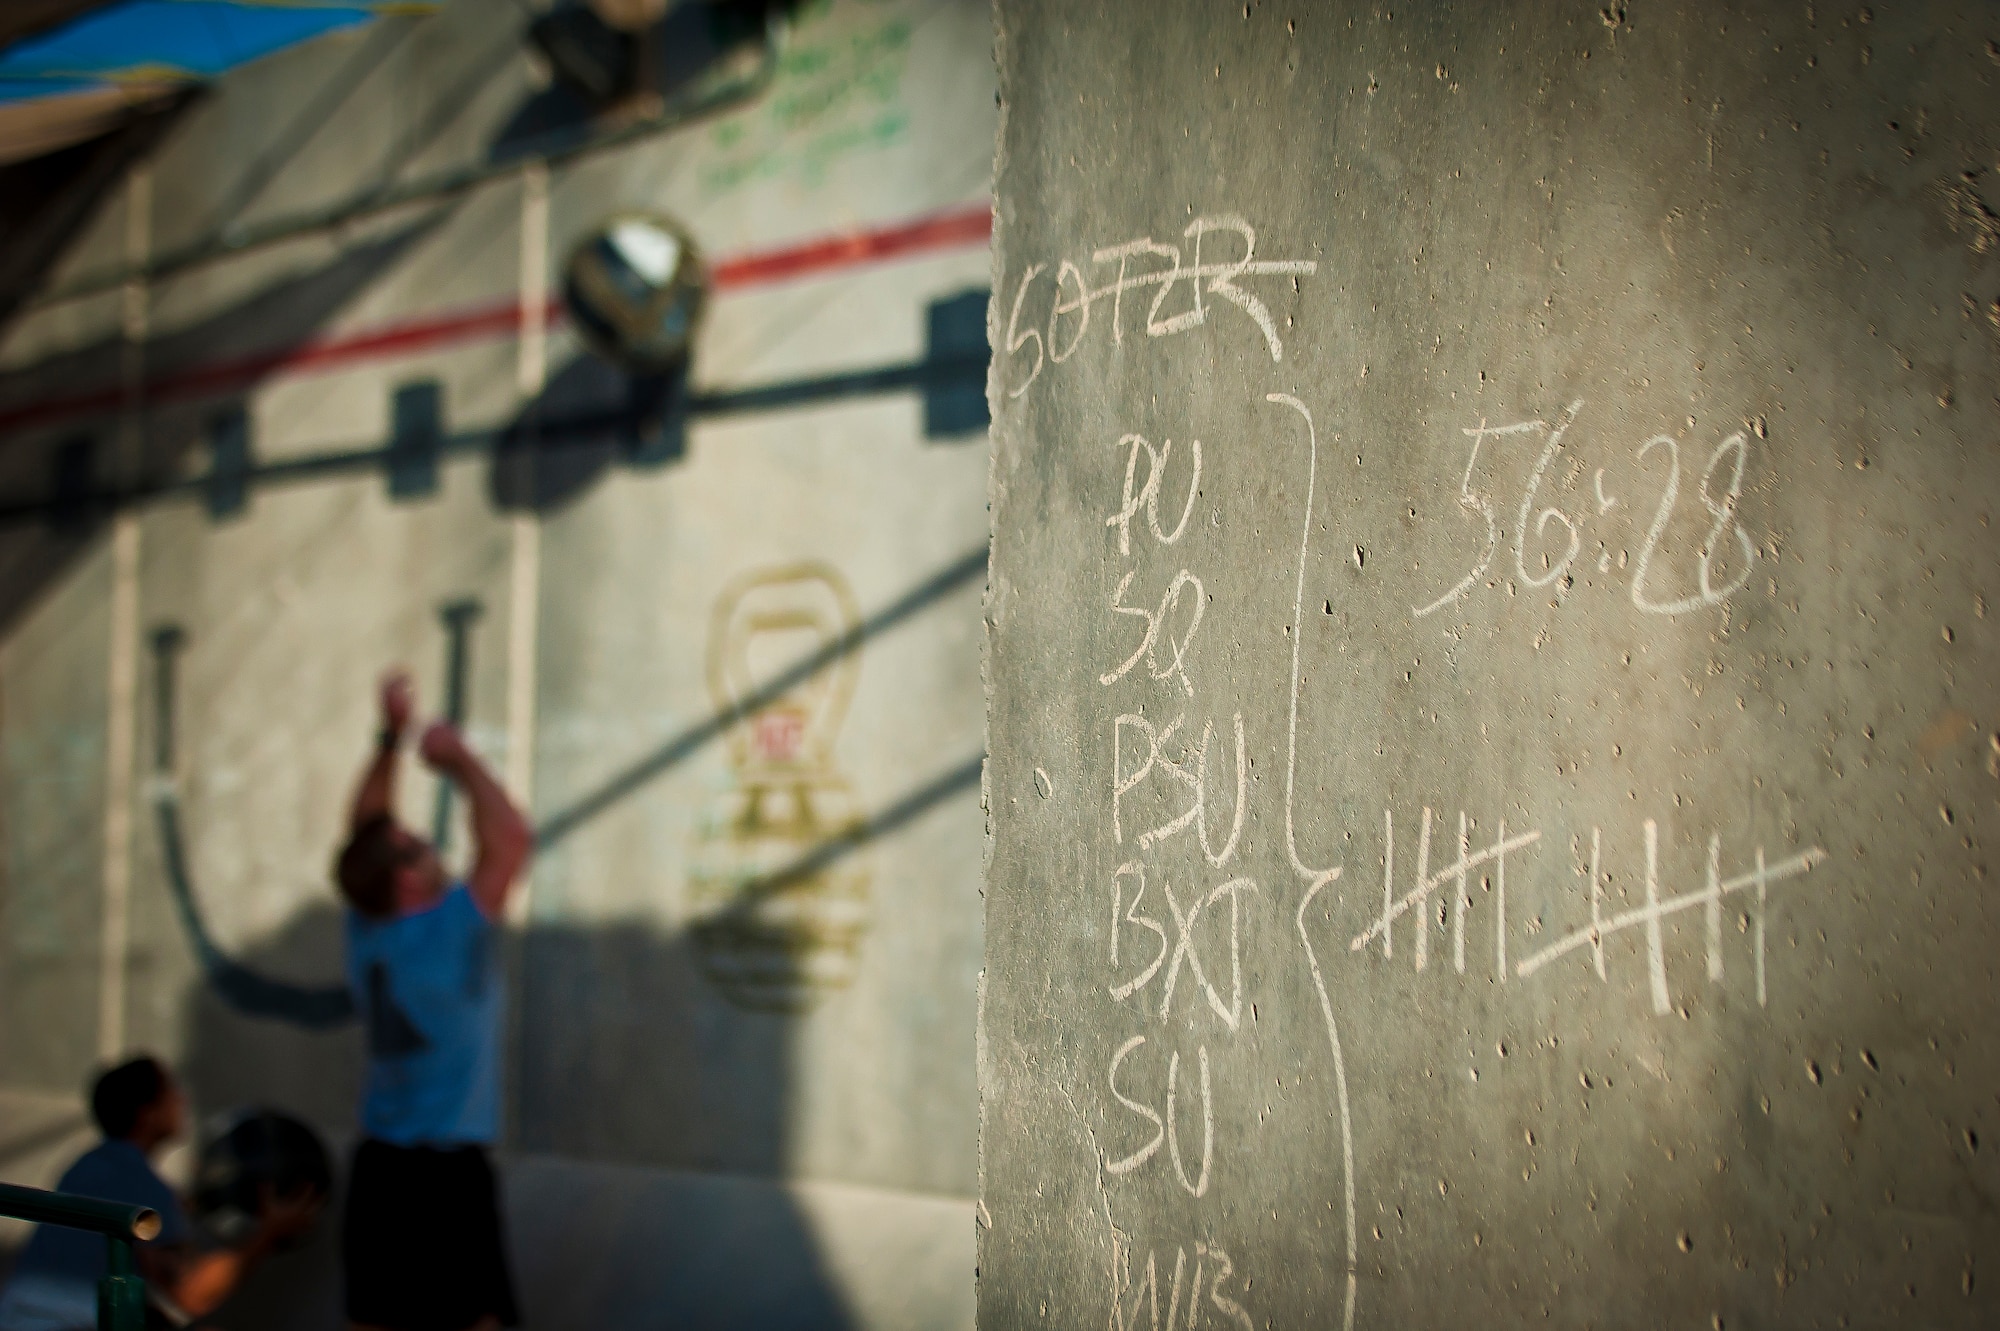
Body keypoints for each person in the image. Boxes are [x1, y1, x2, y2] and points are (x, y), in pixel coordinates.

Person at [333, 671, 532, 1331]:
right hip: (448, 1175)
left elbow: (364, 825)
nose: (430, 844)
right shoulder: (454, 926)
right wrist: (460, 760)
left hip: (379, 1168)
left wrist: (390, 736)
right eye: (418, 846)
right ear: (406, 878)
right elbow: (510, 841)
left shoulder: (368, 926)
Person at [0, 1056, 320, 1330]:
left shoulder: (89, 1165)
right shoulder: (143, 1185)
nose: (182, 1101)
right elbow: (190, 1294)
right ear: (147, 1113)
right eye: (172, 1091)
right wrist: (266, 1234)